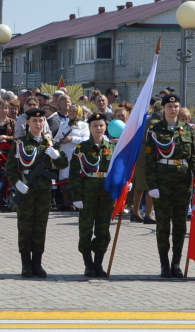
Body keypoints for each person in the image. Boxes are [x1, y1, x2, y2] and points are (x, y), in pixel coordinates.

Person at [7, 106, 67, 278]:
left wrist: (56, 156)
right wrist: (17, 183)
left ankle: (37, 264)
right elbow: (10, 168)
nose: (38, 123)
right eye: (35, 120)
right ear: (28, 122)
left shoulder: (49, 143)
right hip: (26, 190)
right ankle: (26, 265)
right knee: (25, 227)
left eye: (41, 120)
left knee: (40, 227)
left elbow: (64, 164)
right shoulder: (20, 143)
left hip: (43, 191)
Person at [144, 94, 195, 279]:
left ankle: (176, 263)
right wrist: (152, 185)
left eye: (176, 106)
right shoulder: (155, 130)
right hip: (163, 179)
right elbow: (149, 160)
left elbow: (193, 158)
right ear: (164, 108)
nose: (173, 109)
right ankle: (164, 264)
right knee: (163, 225)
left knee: (181, 224)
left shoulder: (188, 130)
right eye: (170, 106)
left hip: (183, 180)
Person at [70, 112, 115, 277]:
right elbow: (74, 174)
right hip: (88, 192)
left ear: (106, 127)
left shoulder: (112, 148)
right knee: (86, 229)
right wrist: (76, 196)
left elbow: (118, 170)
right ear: (89, 127)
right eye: (95, 125)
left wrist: (124, 184)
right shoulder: (81, 149)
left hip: (106, 193)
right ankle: (88, 265)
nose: (99, 128)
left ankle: (98, 264)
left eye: (101, 125)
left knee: (103, 230)